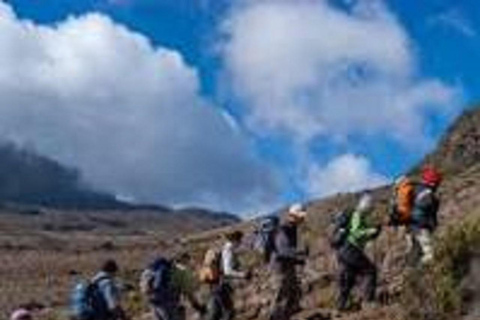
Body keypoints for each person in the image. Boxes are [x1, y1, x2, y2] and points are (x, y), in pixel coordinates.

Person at [336, 193, 381, 311]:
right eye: (370, 206)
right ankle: (368, 302)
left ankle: (340, 308)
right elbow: (356, 233)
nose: (371, 209)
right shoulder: (357, 215)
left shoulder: (359, 216)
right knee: (370, 271)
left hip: (344, 251)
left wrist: (373, 233)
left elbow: (360, 234)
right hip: (351, 249)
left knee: (348, 279)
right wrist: (371, 231)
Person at [268, 203, 308, 320]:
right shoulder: (283, 229)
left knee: (293, 293)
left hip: (287, 266)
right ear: (294, 215)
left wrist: (297, 261)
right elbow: (283, 250)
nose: (303, 218)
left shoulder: (292, 228)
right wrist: (301, 252)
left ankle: (287, 315)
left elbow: (287, 252)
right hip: (280, 268)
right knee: (280, 296)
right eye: (301, 216)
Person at [140, 253, 205, 320]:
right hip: (168, 303)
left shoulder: (163, 269)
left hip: (153, 301)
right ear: (187, 260)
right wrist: (198, 307)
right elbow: (189, 294)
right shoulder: (183, 271)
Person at [204, 230, 250, 320]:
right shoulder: (228, 250)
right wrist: (243, 275)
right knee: (228, 311)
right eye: (240, 240)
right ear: (236, 240)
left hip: (215, 285)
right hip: (221, 285)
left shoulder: (224, 248)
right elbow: (227, 271)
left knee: (216, 313)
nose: (241, 243)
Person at [407, 166, 442, 264]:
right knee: (429, 256)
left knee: (415, 254)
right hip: (421, 227)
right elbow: (428, 211)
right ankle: (428, 275)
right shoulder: (428, 194)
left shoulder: (415, 189)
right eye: (438, 182)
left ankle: (413, 273)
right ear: (434, 182)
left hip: (411, 228)